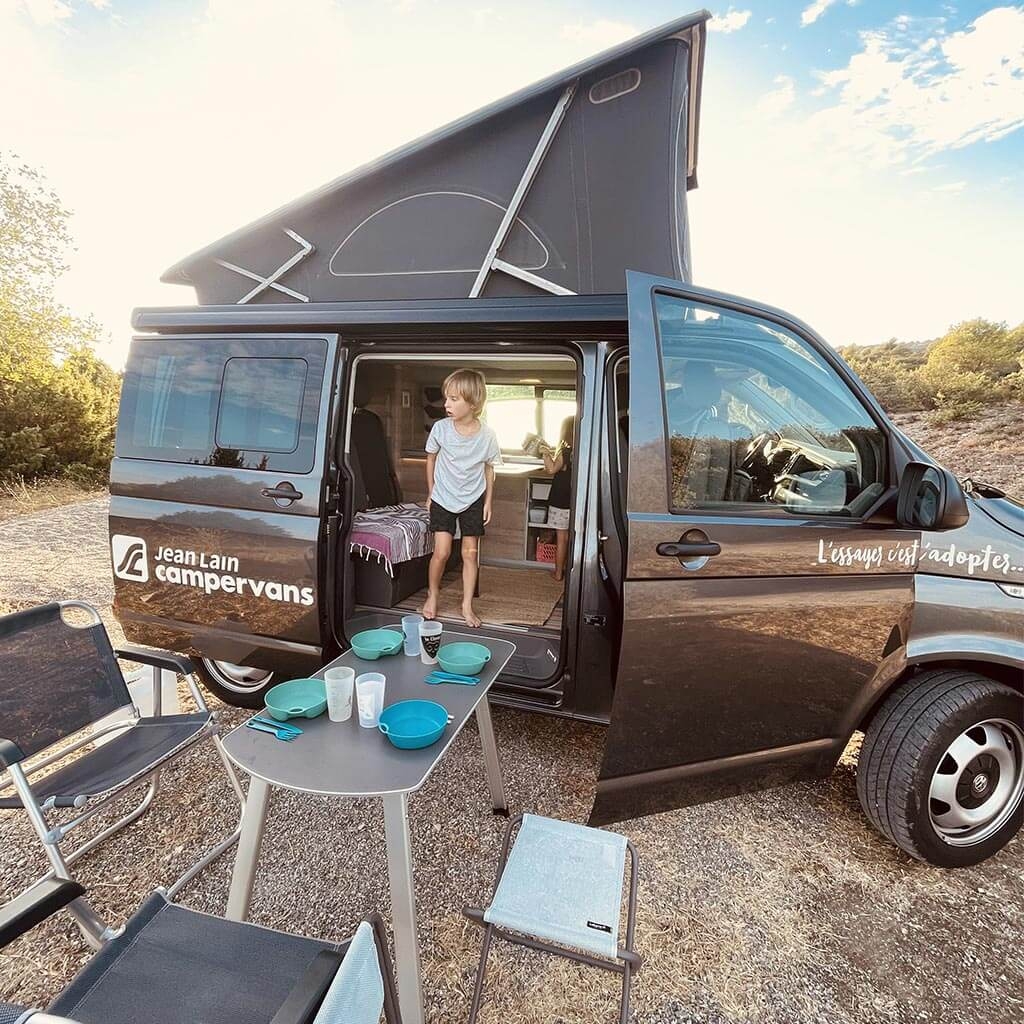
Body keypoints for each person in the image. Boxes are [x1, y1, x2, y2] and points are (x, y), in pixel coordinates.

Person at [422, 369, 502, 627]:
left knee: (470, 553)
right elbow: (431, 458)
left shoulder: (488, 435)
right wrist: (431, 491)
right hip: (444, 497)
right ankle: (433, 594)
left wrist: (488, 501)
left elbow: (490, 468)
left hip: (474, 498)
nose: (446, 404)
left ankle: (467, 605)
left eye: (454, 399)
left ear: (473, 402)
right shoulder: (440, 429)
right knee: (442, 552)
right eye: (446, 398)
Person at [541, 414, 575, 582]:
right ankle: (572, 571)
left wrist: (546, 454)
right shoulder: (583, 451)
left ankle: (558, 574)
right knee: (571, 537)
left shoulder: (565, 451)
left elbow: (551, 469)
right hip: (575, 501)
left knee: (562, 538)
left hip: (560, 501)